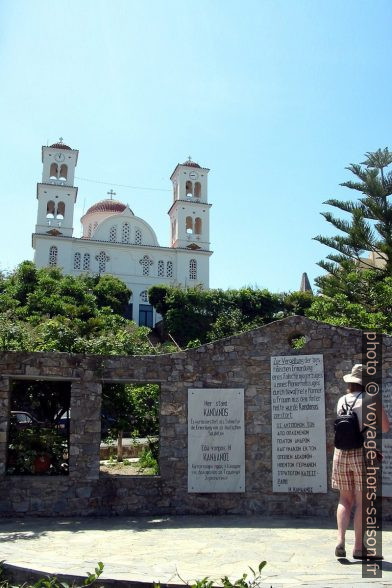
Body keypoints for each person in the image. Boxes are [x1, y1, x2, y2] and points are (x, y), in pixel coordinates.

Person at [332, 364, 390, 559]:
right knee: (362, 502)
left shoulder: (341, 400)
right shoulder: (371, 399)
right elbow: (385, 427)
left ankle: (340, 541)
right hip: (362, 453)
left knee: (344, 499)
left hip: (340, 453)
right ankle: (359, 548)